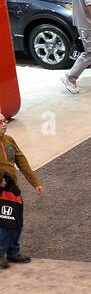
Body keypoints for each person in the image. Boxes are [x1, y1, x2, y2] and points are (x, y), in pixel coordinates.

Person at [0, 114, 42, 267]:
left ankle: (13, 252)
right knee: (6, 222)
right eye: (0, 122)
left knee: (17, 222)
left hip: (12, 188)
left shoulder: (9, 140)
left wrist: (35, 182)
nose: (4, 124)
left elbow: (21, 160)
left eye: (5, 121)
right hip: (1, 190)